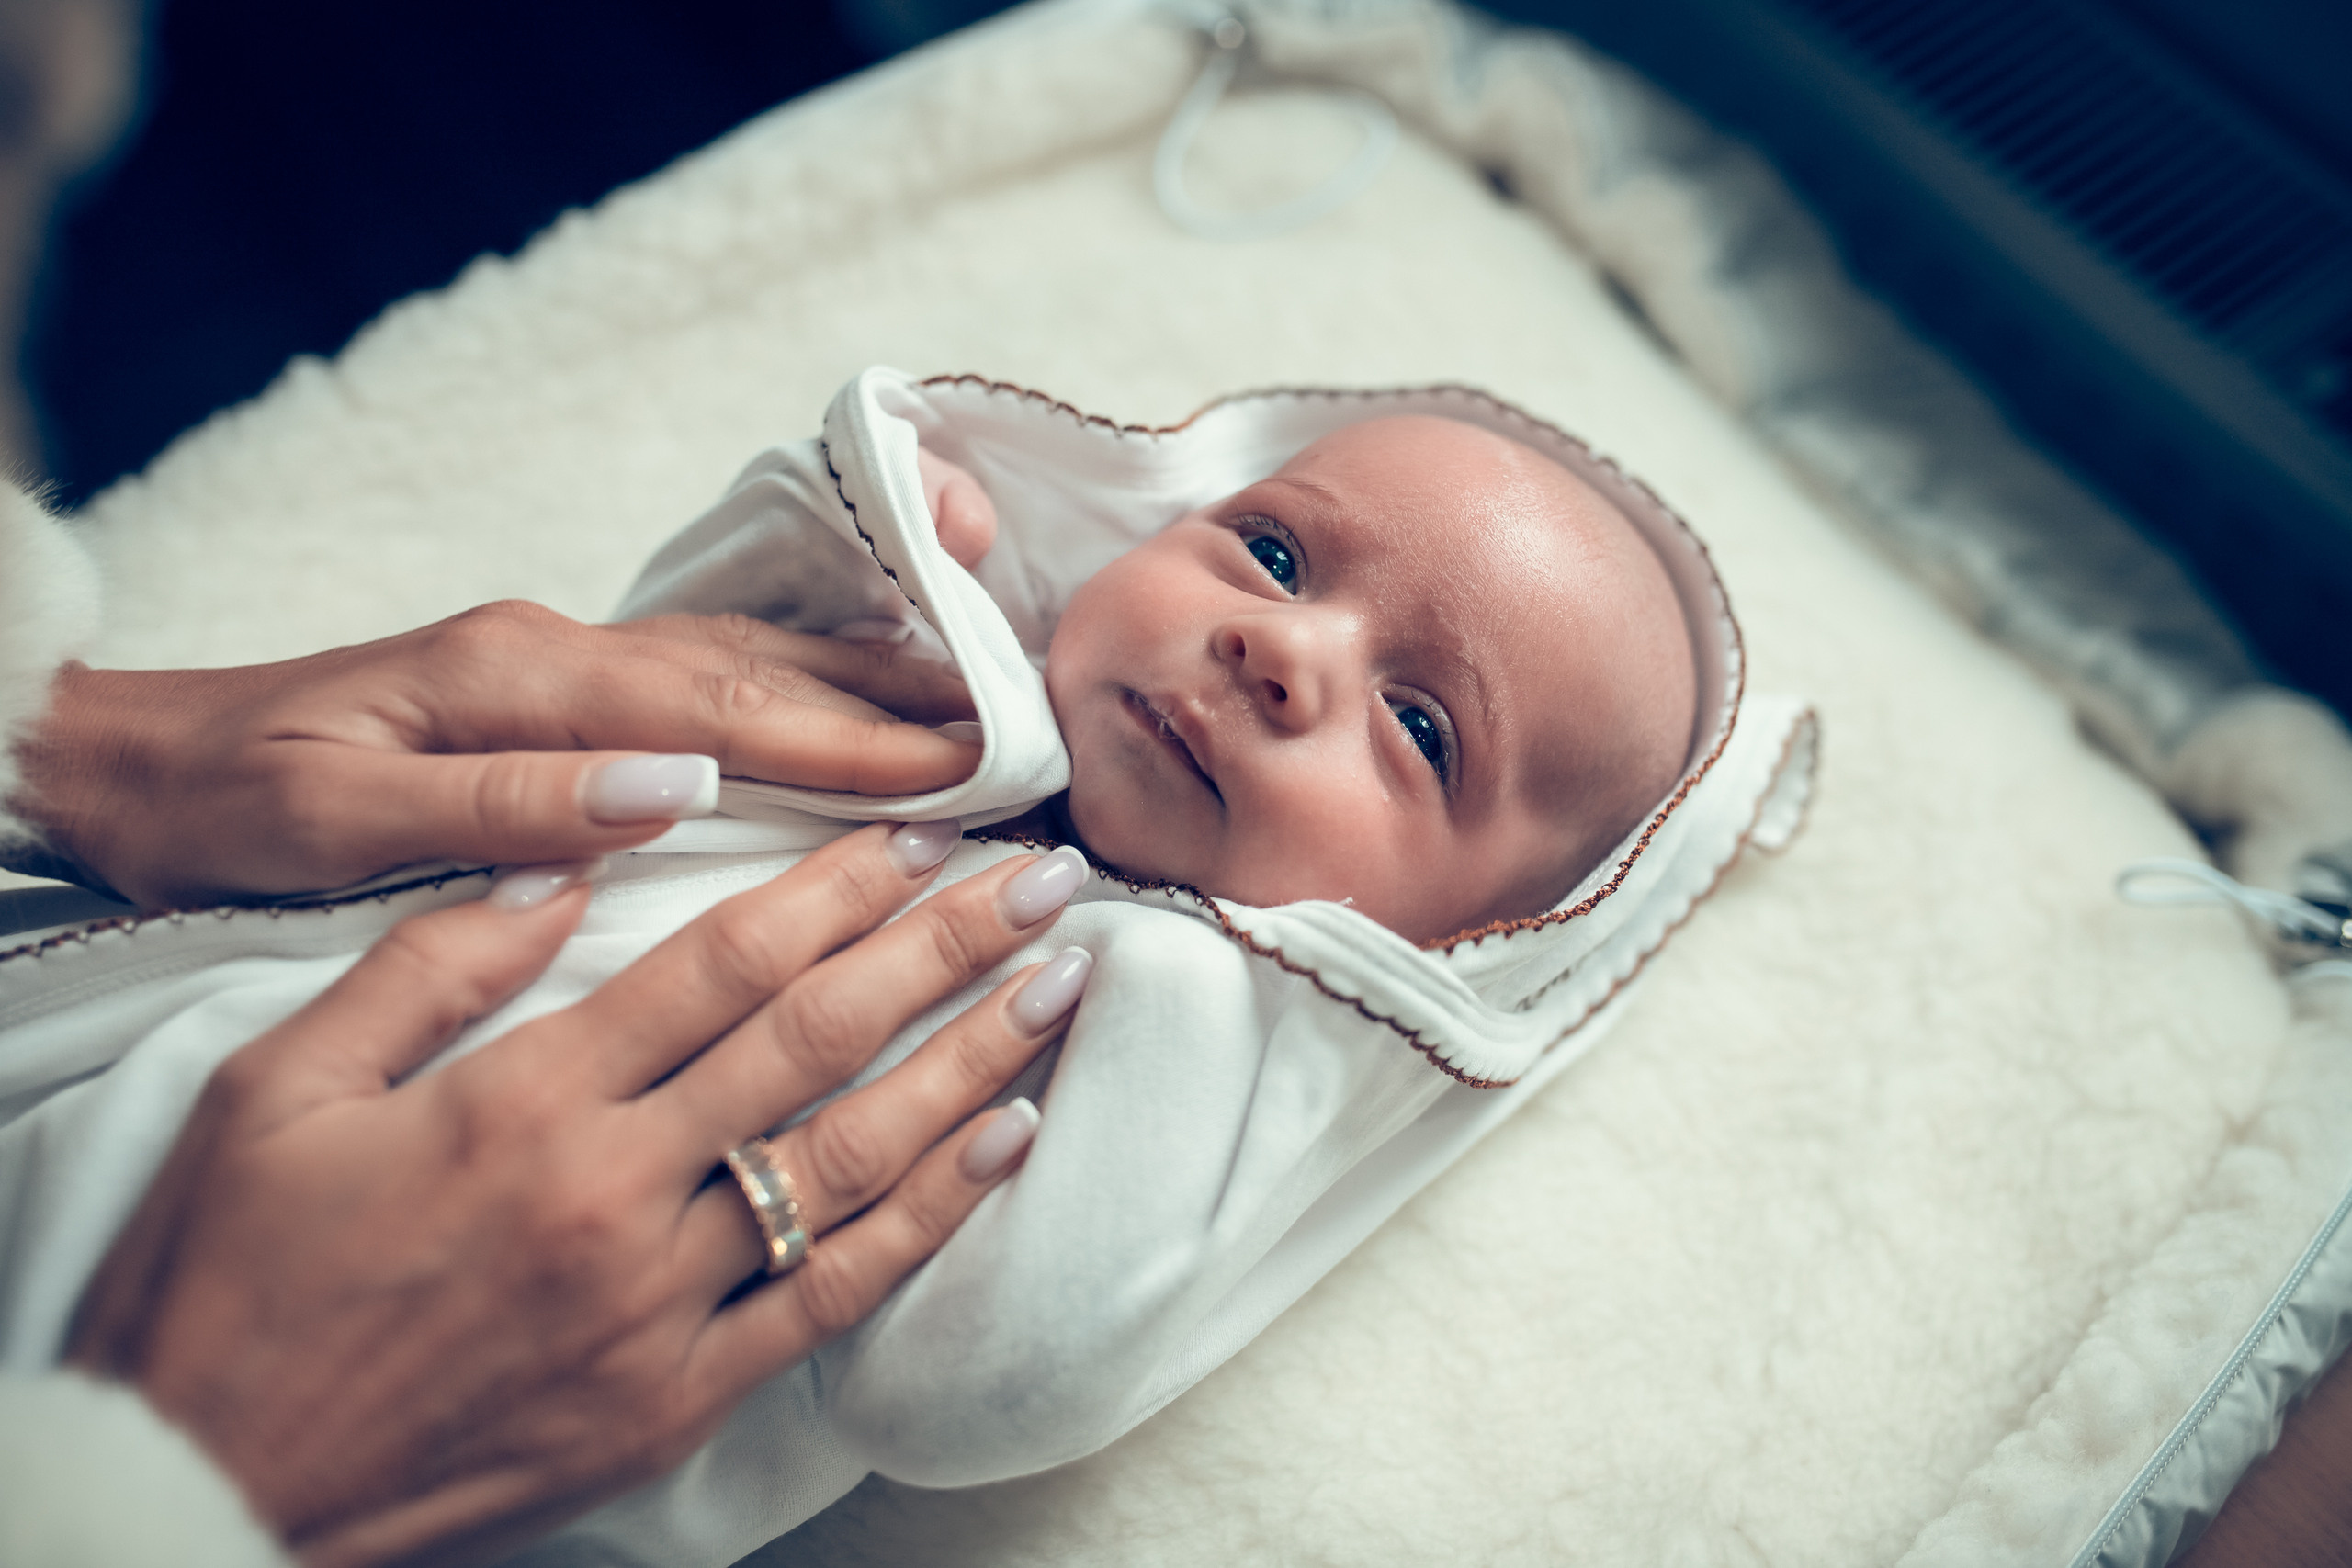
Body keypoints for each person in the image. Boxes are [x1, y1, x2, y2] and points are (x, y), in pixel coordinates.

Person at [1, 367, 1808, 1564]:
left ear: (1447, 945)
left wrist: (1199, 1001)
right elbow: (644, 649)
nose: (1277, 647)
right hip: (117, 1054)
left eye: (1418, 725)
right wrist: (855, 544)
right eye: (1270, 549)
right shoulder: (935, 706)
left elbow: (968, 1394)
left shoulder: (1146, 1041)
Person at [0, 475, 1097, 1566]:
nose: (1271, 655)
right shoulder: (957, 677)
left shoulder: (1154, 995)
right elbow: (688, 615)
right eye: (1267, 552)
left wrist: (71, 743)